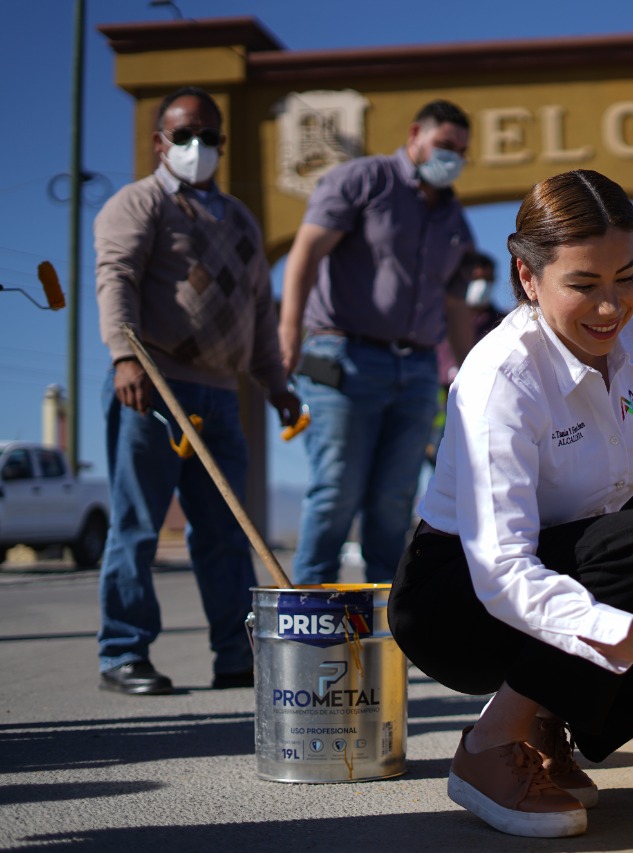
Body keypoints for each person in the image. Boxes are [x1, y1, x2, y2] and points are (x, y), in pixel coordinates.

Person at [388, 169, 633, 839]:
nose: (611, 308)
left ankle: (548, 726)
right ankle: (488, 747)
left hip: (586, 564)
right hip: (459, 601)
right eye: (584, 286)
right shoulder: (500, 376)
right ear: (529, 279)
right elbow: (502, 572)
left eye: (627, 277)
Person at [94, 86, 301, 695]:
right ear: (160, 142)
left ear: (222, 142)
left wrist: (275, 383)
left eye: (207, 136)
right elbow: (117, 278)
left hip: (220, 395)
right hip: (154, 388)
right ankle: (123, 652)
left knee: (224, 532)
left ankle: (234, 655)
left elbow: (260, 309)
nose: (196, 146)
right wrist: (124, 357)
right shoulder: (137, 205)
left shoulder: (239, 218)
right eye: (183, 135)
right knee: (138, 525)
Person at [278, 99, 477, 585]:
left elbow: (455, 308)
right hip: (343, 359)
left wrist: (470, 376)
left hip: (416, 372)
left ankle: (388, 632)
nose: (451, 157)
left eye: (461, 151)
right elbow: (305, 250)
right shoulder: (363, 181)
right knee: (336, 492)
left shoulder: (455, 220)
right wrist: (287, 333)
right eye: (444, 145)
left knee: (395, 501)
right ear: (415, 136)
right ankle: (310, 623)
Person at [426, 250, 506, 466]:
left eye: (486, 279)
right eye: (475, 278)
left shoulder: (505, 324)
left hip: (483, 406)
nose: (481, 284)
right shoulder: (436, 320)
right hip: (437, 404)